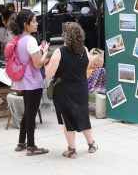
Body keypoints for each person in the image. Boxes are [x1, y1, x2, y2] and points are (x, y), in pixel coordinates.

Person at [45, 23, 97, 158]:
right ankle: (91, 144)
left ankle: (72, 150)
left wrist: (46, 62)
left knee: (67, 120)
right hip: (81, 89)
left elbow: (49, 74)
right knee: (83, 116)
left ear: (66, 36)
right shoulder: (84, 50)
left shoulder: (59, 52)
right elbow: (84, 67)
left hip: (64, 91)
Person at [11, 9, 50, 156]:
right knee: (31, 113)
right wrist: (45, 51)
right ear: (26, 24)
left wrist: (39, 50)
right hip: (33, 82)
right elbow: (38, 64)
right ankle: (31, 146)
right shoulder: (31, 40)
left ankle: (21, 142)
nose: (37, 23)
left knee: (28, 111)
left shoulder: (19, 38)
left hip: (23, 81)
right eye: (34, 21)